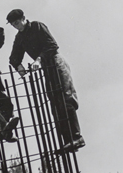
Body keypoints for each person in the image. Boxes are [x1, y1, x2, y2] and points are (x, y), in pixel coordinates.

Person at [6, 9, 84, 153]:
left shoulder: (37, 26)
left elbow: (52, 45)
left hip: (56, 63)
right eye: (13, 25)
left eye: (17, 22)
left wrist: (39, 59)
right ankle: (67, 141)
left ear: (24, 18)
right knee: (54, 103)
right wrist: (19, 67)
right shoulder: (20, 38)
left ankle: (76, 137)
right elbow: (13, 57)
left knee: (65, 99)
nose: (16, 26)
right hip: (46, 70)